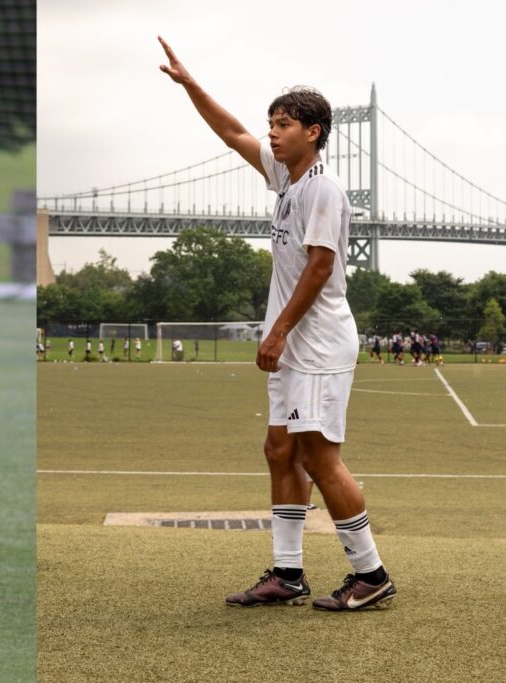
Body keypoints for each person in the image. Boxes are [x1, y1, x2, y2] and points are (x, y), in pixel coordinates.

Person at [160, 37, 395, 610]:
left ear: (313, 131)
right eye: (272, 122)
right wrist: (192, 86)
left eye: (284, 123)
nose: (272, 132)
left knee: (318, 455)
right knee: (279, 450)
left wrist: (279, 330)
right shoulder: (286, 179)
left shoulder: (324, 189)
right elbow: (232, 133)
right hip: (294, 345)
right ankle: (288, 574)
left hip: (316, 344)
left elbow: (321, 266)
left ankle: (371, 574)